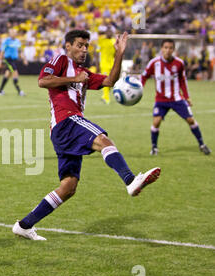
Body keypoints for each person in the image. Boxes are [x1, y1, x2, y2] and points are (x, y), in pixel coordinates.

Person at [12, 30, 161, 240]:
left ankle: (24, 225)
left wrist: (119, 53)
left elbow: (110, 80)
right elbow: (43, 81)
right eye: (80, 45)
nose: (84, 50)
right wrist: (74, 78)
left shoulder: (84, 73)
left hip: (65, 129)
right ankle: (130, 180)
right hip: (67, 120)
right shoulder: (61, 60)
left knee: (68, 187)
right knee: (103, 140)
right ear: (68, 46)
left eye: (86, 46)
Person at [141, 39, 211, 155]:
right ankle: (154, 148)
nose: (168, 50)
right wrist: (140, 89)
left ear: (173, 49)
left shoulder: (179, 63)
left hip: (177, 98)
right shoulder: (154, 63)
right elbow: (144, 76)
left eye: (170, 48)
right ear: (162, 49)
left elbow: (183, 80)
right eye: (165, 47)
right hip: (161, 99)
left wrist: (187, 97)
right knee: (156, 122)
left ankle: (202, 144)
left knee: (190, 120)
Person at [0, 29, 28, 96]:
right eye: (12, 32)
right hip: (8, 60)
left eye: (15, 32)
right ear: (9, 33)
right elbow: (2, 52)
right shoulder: (6, 41)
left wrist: (24, 59)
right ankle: (19, 91)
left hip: (14, 60)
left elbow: (20, 51)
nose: (14, 34)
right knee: (15, 72)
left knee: (7, 75)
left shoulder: (17, 41)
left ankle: (0, 90)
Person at [97, 29, 116, 104]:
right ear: (106, 33)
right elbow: (97, 52)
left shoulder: (114, 41)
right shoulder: (101, 40)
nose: (109, 33)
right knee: (105, 80)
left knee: (112, 81)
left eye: (111, 32)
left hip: (112, 64)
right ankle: (106, 98)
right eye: (108, 32)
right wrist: (97, 64)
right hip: (104, 64)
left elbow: (116, 52)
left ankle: (105, 95)